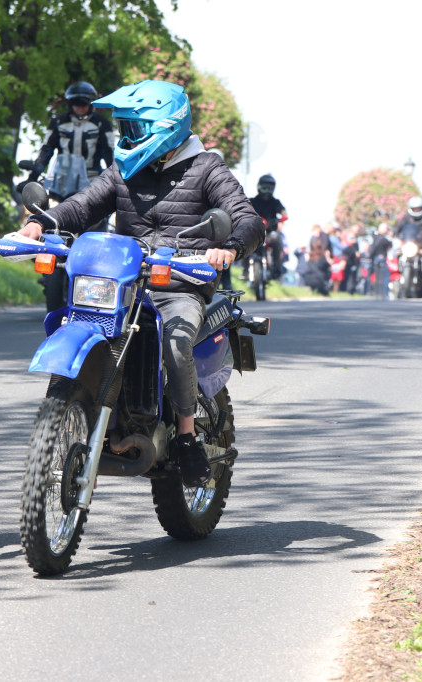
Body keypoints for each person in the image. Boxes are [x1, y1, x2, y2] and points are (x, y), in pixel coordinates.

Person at [17, 80, 264, 487]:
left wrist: (231, 247)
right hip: (123, 281)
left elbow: (246, 216)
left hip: (181, 283)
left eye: (135, 129)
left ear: (165, 128)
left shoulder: (207, 167)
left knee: (176, 341)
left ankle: (186, 438)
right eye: (125, 128)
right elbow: (83, 205)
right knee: (75, 322)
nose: (126, 137)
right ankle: (96, 411)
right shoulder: (123, 171)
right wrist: (40, 222)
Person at [24, 81, 114, 312]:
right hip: (60, 186)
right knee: (44, 219)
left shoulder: (102, 124)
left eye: (84, 103)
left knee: (100, 229)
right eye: (75, 103)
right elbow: (46, 149)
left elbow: (111, 154)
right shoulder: (59, 122)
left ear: (91, 104)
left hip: (91, 186)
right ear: (70, 104)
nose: (80, 107)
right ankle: (47, 266)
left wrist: (117, 181)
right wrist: (32, 176)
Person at [247, 174, 288, 279]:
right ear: (259, 186)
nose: (267, 190)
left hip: (269, 233)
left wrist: (283, 218)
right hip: (255, 232)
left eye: (270, 188)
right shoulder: (252, 201)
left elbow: (283, 212)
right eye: (265, 187)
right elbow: (244, 210)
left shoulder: (275, 202)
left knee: (276, 238)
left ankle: (277, 267)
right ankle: (244, 270)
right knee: (244, 239)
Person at [393, 196, 422, 285]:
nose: (416, 210)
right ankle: (397, 279)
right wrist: (397, 238)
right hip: (409, 245)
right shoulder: (406, 217)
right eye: (414, 209)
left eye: (418, 208)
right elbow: (397, 229)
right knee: (397, 254)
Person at [368, 222, 393, 298]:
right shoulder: (383, 239)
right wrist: (390, 236)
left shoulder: (375, 237)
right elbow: (390, 246)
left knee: (377, 276)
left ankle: (377, 292)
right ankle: (384, 293)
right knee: (385, 276)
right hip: (381, 258)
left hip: (375, 258)